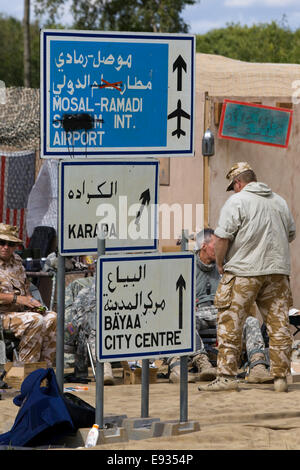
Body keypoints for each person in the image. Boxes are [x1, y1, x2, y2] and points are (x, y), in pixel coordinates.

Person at [198, 162, 296, 393]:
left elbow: (221, 238)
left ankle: (227, 377)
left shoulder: (237, 201)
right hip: (277, 272)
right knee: (279, 324)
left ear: (238, 183)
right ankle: (281, 377)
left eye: (233, 186)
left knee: (231, 322)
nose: (233, 190)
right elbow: (291, 233)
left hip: (244, 272)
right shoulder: (279, 201)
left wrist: (221, 263)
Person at [170, 228, 271, 384]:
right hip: (197, 316)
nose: (219, 249)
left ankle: (258, 366)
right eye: (215, 245)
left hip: (222, 314)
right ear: (203, 246)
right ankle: (202, 363)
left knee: (251, 321)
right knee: (184, 321)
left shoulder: (225, 266)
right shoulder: (186, 265)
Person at [0, 224, 57, 366]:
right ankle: (25, 371)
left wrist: (32, 303)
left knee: (52, 317)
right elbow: (19, 297)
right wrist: (18, 299)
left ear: (15, 246)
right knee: (34, 320)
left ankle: (44, 370)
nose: (6, 247)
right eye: (1, 243)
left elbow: (25, 288)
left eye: (10, 244)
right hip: (2, 315)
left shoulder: (17, 261)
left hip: (19, 313)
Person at [65, 276, 116, 385]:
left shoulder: (121, 291)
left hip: (115, 329)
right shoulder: (85, 293)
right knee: (92, 333)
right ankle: (104, 369)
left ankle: (102, 369)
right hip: (94, 330)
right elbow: (76, 318)